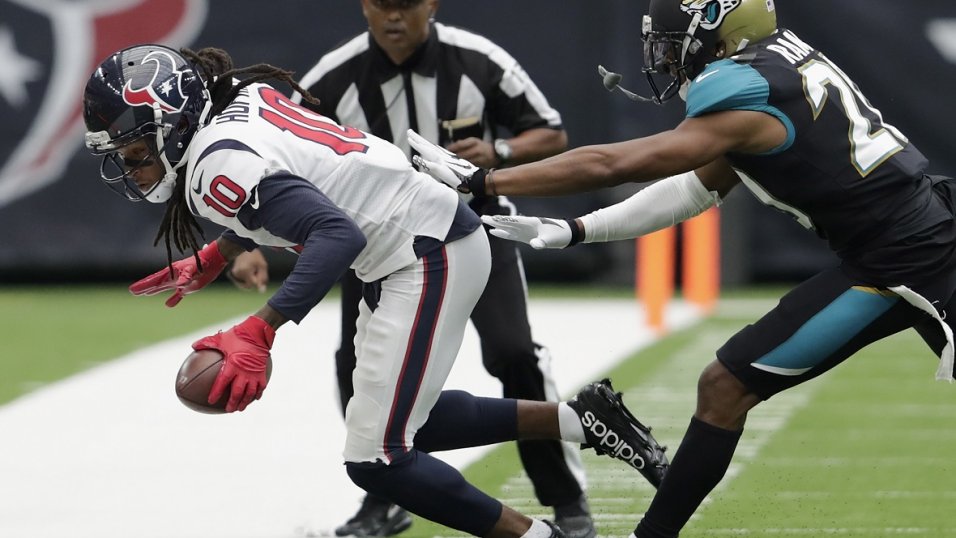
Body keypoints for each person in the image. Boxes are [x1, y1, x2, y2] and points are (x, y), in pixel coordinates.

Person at [407, 0, 956, 536]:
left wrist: (485, 181)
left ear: (716, 31)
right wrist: (579, 230)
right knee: (724, 386)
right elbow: (695, 189)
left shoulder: (744, 91)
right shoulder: (775, 68)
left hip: (903, 257)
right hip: (913, 241)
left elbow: (616, 162)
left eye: (673, 46)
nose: (667, 61)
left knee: (724, 386)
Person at [81, 44, 669, 538]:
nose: (132, 169)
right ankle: (584, 420)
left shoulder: (213, 169)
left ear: (177, 121)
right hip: (414, 243)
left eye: (135, 151)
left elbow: (334, 234)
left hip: (422, 252)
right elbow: (301, 183)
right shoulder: (239, 99)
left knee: (376, 460)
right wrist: (216, 253)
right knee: (408, 424)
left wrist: (260, 328)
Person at [228, 1, 595, 536]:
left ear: (431, 4)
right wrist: (245, 244)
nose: (393, 17)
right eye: (382, 3)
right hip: (375, 244)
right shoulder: (332, 76)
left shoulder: (477, 60)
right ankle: (384, 494)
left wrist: (499, 149)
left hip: (476, 231)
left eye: (406, 3)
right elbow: (274, 158)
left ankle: (565, 498)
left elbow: (551, 132)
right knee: (356, 366)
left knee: (513, 351)